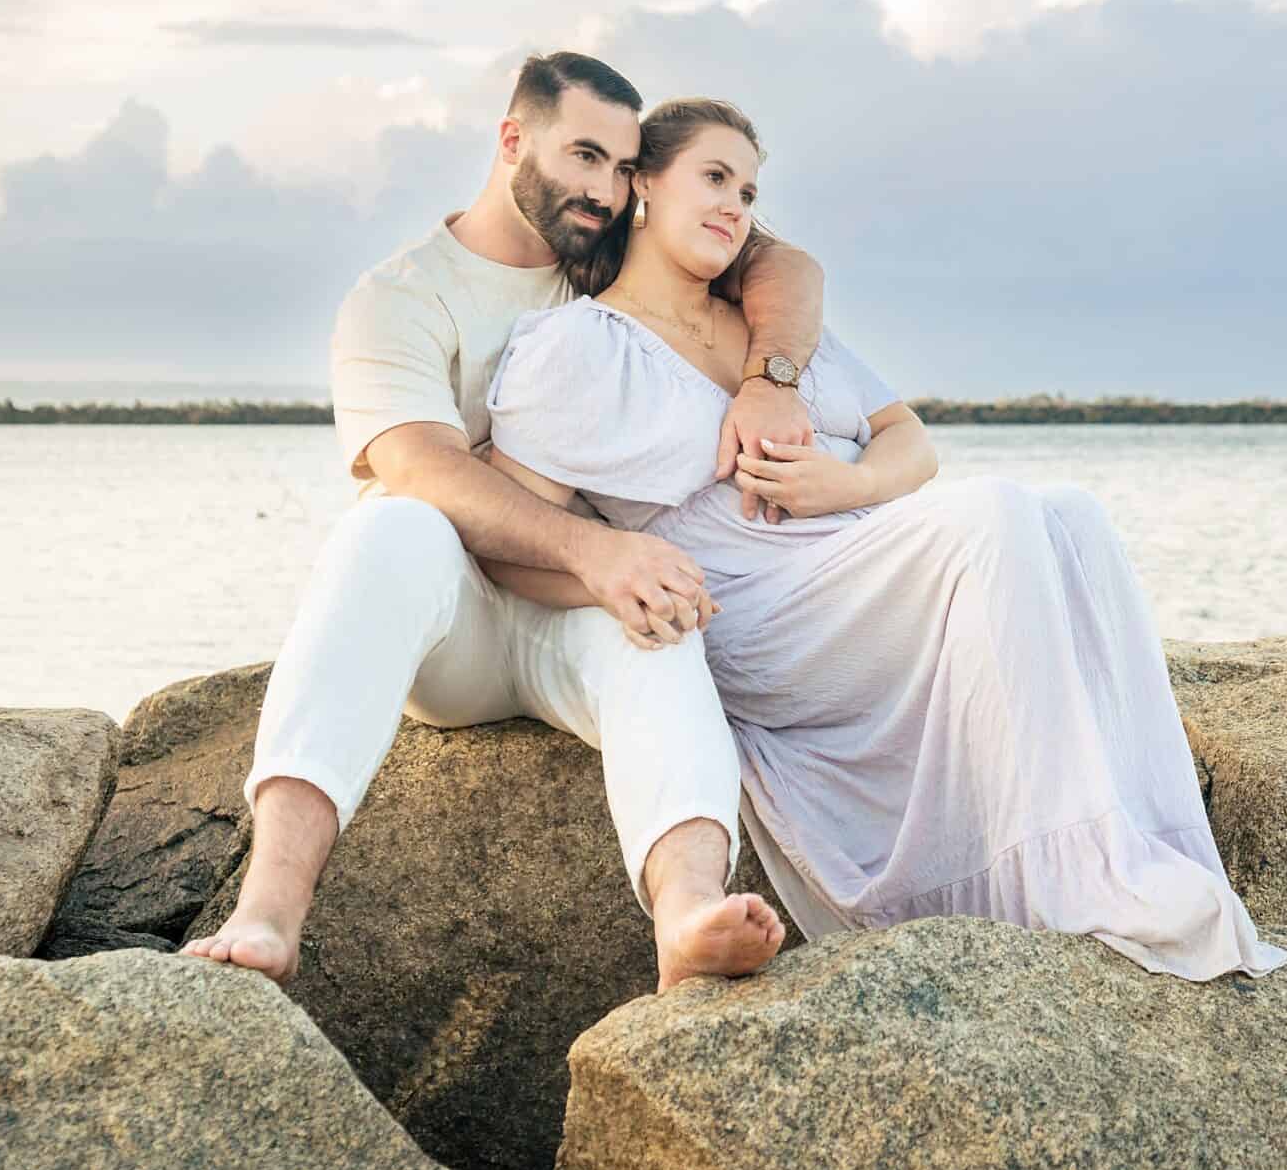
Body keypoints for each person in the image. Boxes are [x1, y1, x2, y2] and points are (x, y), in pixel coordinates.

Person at [481, 98, 1287, 982]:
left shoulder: (773, 327)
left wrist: (849, 482)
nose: (735, 206)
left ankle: (1129, 840)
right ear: (641, 186)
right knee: (995, 515)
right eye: (713, 178)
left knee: (1072, 513)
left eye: (749, 191)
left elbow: (908, 436)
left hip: (863, 562)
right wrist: (610, 575)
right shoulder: (577, 350)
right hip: (762, 613)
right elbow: (513, 538)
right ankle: (1059, 876)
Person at [182, 52, 843, 991]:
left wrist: (766, 379)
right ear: (510, 140)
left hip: (569, 610)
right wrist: (598, 548)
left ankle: (690, 912)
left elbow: (786, 263)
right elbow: (418, 463)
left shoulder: (611, 258)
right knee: (393, 526)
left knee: (659, 625)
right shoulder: (399, 297)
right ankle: (270, 909)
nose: (604, 190)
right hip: (458, 627)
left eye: (621, 167)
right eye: (583, 156)